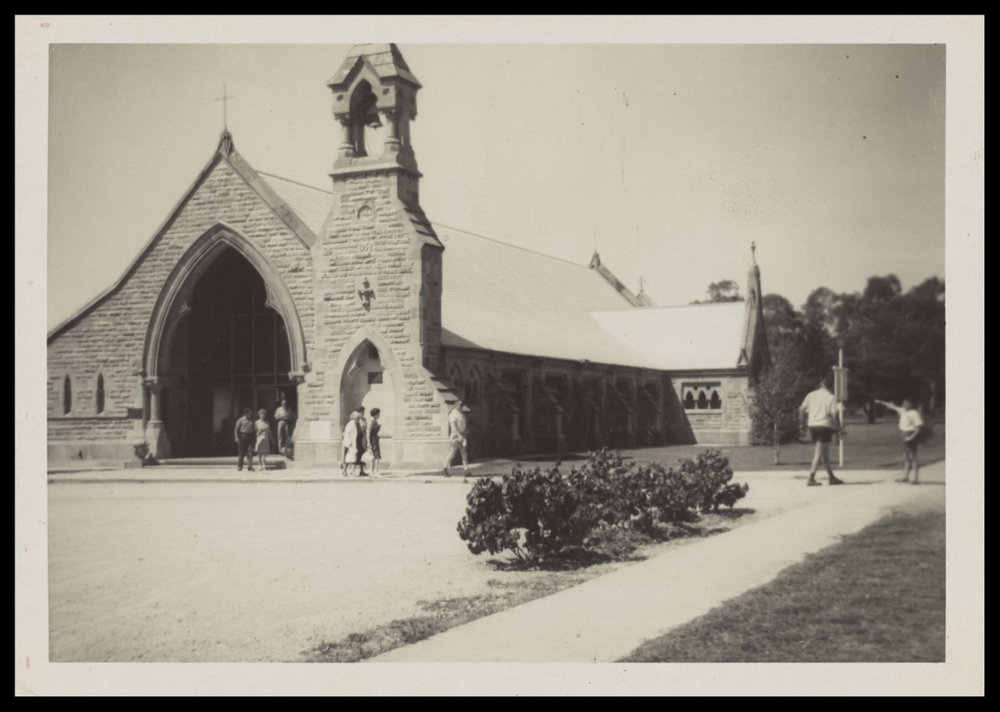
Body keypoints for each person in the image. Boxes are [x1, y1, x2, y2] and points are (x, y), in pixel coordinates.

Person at [798, 375, 845, 486]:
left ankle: (831, 477)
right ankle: (811, 477)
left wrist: (802, 424)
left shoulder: (811, 394)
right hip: (824, 426)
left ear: (821, 384)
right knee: (819, 453)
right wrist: (839, 429)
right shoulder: (831, 397)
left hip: (813, 425)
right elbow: (835, 415)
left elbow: (801, 409)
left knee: (825, 453)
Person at [876, 398, 925, 484]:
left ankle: (916, 478)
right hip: (903, 433)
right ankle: (906, 477)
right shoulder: (903, 411)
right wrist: (881, 402)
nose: (903, 405)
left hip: (909, 434)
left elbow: (919, 428)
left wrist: (911, 437)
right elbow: (892, 406)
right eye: (903, 403)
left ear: (910, 404)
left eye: (906, 403)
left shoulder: (914, 413)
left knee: (913, 457)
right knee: (906, 456)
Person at [443, 400, 470, 478]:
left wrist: (464, 433)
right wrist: (459, 436)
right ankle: (445, 468)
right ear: (456, 405)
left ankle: (466, 470)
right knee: (452, 453)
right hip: (455, 436)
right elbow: (453, 427)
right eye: (460, 405)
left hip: (462, 435)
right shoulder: (453, 414)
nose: (461, 406)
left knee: (464, 453)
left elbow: (462, 424)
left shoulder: (460, 413)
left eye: (462, 405)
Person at [234, 407, 257, 472]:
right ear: (246, 413)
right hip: (243, 436)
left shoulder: (252, 420)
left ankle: (250, 467)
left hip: (250, 436)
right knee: (241, 452)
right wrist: (236, 437)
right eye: (250, 413)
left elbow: (255, 429)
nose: (251, 414)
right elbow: (236, 430)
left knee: (250, 452)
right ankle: (239, 466)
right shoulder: (240, 420)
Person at [274, 395, 296, 460]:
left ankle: (287, 450)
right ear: (281, 404)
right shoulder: (278, 409)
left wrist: (291, 418)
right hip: (281, 422)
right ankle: (280, 450)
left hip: (288, 423)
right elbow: (275, 417)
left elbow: (293, 416)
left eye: (285, 403)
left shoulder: (289, 409)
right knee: (280, 436)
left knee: (288, 436)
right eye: (283, 403)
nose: (284, 404)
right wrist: (282, 417)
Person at [342, 411, 359, 477]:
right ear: (354, 418)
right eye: (357, 418)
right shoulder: (350, 424)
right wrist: (349, 442)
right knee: (351, 458)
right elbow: (347, 434)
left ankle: (347, 471)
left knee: (351, 458)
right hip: (351, 444)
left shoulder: (354, 424)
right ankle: (350, 471)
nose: (358, 419)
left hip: (352, 443)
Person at [368, 407, 383, 477]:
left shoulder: (374, 422)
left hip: (374, 440)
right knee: (376, 457)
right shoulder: (372, 422)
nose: (379, 415)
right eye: (378, 414)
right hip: (373, 441)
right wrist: (369, 443)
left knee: (373, 457)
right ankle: (376, 472)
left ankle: (372, 472)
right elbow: (368, 432)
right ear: (375, 415)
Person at [355, 407, 369, 477]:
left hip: (363, 438)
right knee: (359, 455)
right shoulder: (357, 420)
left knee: (363, 455)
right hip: (359, 439)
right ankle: (357, 470)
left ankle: (362, 470)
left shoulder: (363, 419)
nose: (363, 413)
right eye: (362, 412)